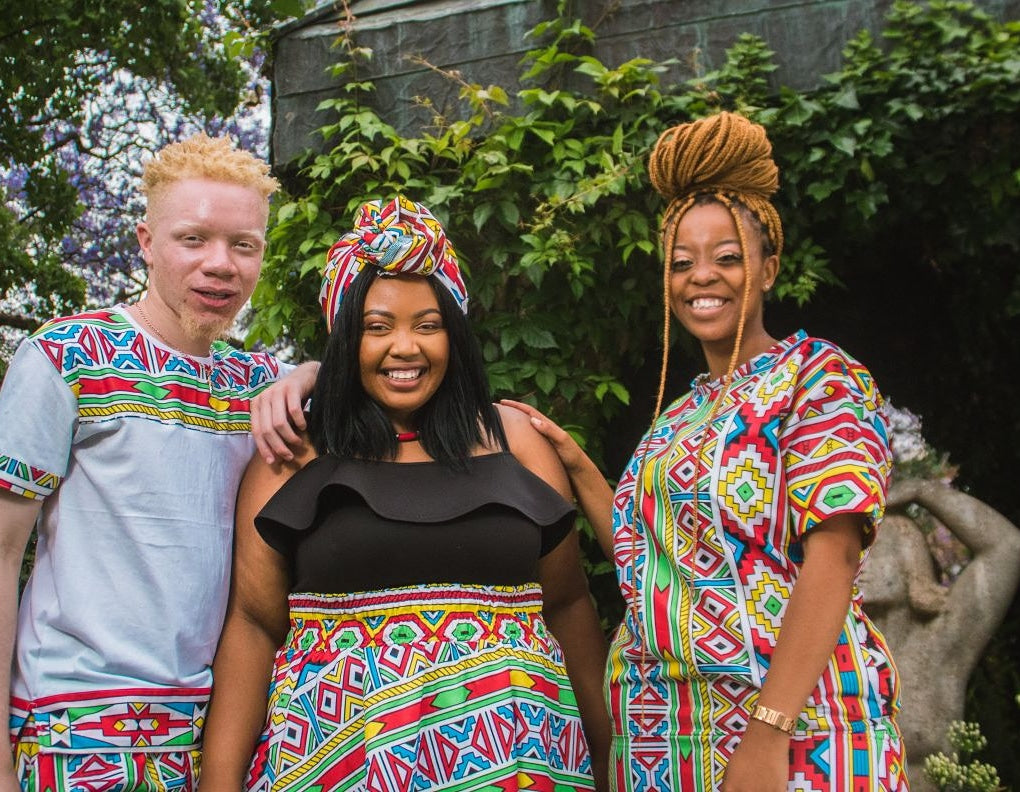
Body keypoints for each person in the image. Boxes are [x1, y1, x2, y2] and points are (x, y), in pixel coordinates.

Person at [505, 111, 908, 791]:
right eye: (682, 262)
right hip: (668, 734)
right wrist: (576, 466)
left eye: (727, 257)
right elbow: (643, 556)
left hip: (797, 730)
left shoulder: (816, 375)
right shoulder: (681, 416)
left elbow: (833, 556)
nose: (702, 277)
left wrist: (769, 731)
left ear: (769, 268)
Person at [197, 196, 611, 791]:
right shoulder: (294, 454)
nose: (405, 348)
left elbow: (568, 603)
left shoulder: (515, 438)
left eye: (428, 325)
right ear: (345, 340)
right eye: (376, 327)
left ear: (455, 334)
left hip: (524, 762)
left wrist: (610, 760)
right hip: (338, 764)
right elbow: (254, 624)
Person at [0, 133, 313, 792]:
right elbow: (1, 554)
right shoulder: (66, 356)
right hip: (73, 731)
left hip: (214, 736)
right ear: (146, 241)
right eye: (193, 239)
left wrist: (310, 372)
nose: (221, 264)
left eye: (244, 245)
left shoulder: (260, 382)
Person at [860, 478, 1020, 778]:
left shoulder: (943, 640)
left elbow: (1007, 546)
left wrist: (922, 491)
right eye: (856, 552)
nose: (862, 564)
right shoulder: (832, 645)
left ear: (912, 563)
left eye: (877, 551)